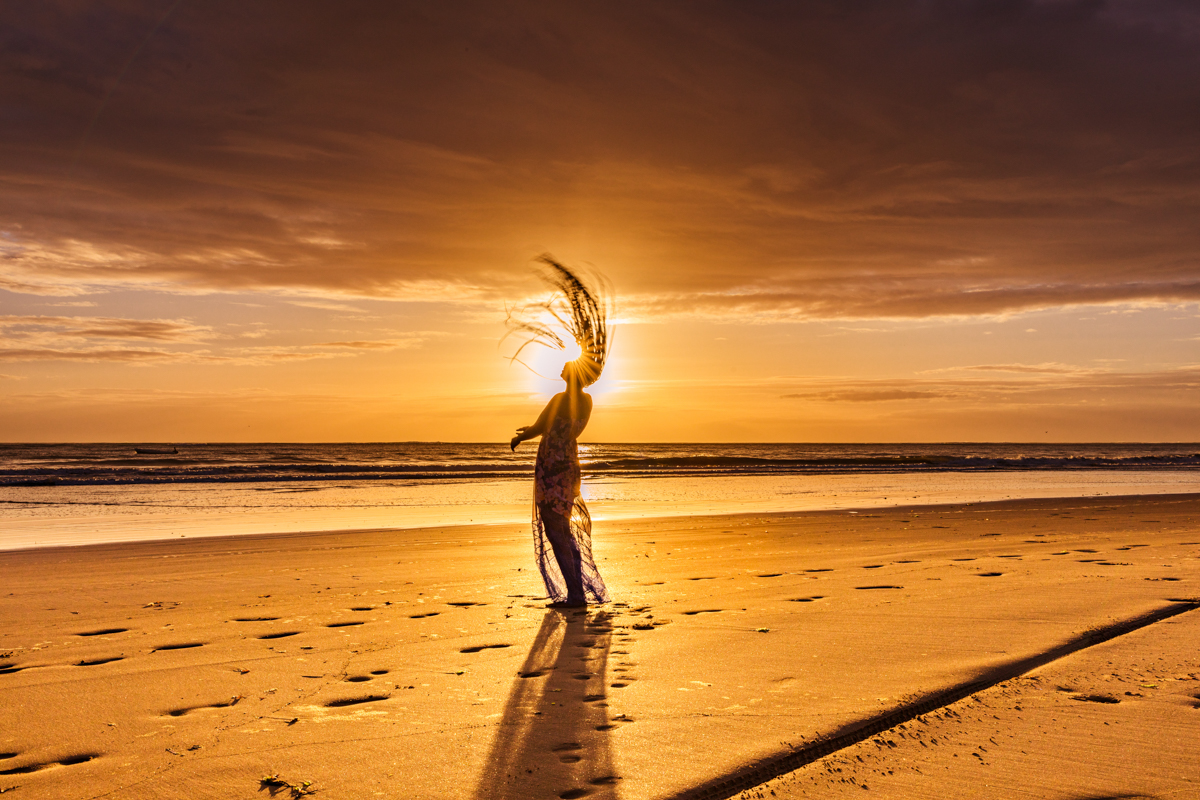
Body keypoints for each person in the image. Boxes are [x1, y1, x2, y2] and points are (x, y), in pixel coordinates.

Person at [507, 257, 611, 607]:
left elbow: (569, 424)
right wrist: (524, 435)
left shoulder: (579, 401)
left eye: (570, 364)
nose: (563, 365)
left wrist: (580, 368)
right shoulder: (563, 399)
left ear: (578, 375)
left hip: (558, 470)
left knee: (558, 529)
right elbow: (541, 426)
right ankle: (575, 592)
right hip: (555, 467)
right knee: (557, 530)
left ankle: (577, 594)